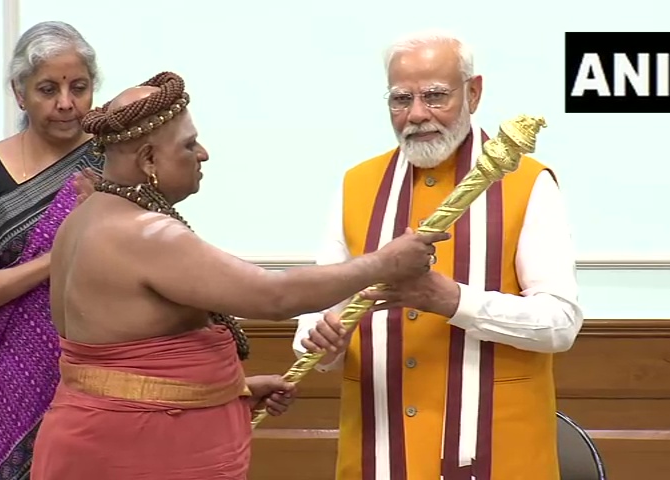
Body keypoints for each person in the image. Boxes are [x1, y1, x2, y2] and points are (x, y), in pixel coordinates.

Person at [28, 71, 450, 480]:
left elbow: (124, 358)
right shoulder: (145, 233)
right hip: (133, 450)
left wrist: (230, 390)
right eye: (189, 144)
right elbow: (274, 296)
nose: (203, 153)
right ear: (149, 159)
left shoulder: (83, 219)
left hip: (102, 435)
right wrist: (384, 263)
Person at [293, 30, 584, 480]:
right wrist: (319, 341)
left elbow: (560, 323)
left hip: (500, 452)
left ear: (474, 92)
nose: (416, 115)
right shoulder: (356, 184)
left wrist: (451, 300)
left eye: (434, 96)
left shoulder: (529, 182)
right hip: (377, 448)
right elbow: (318, 311)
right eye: (400, 99)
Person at [0, 21, 102, 480]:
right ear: (19, 92)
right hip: (6, 373)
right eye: (48, 89)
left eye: (80, 87)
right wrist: (60, 255)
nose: (66, 103)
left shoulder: (113, 164)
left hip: (95, 367)